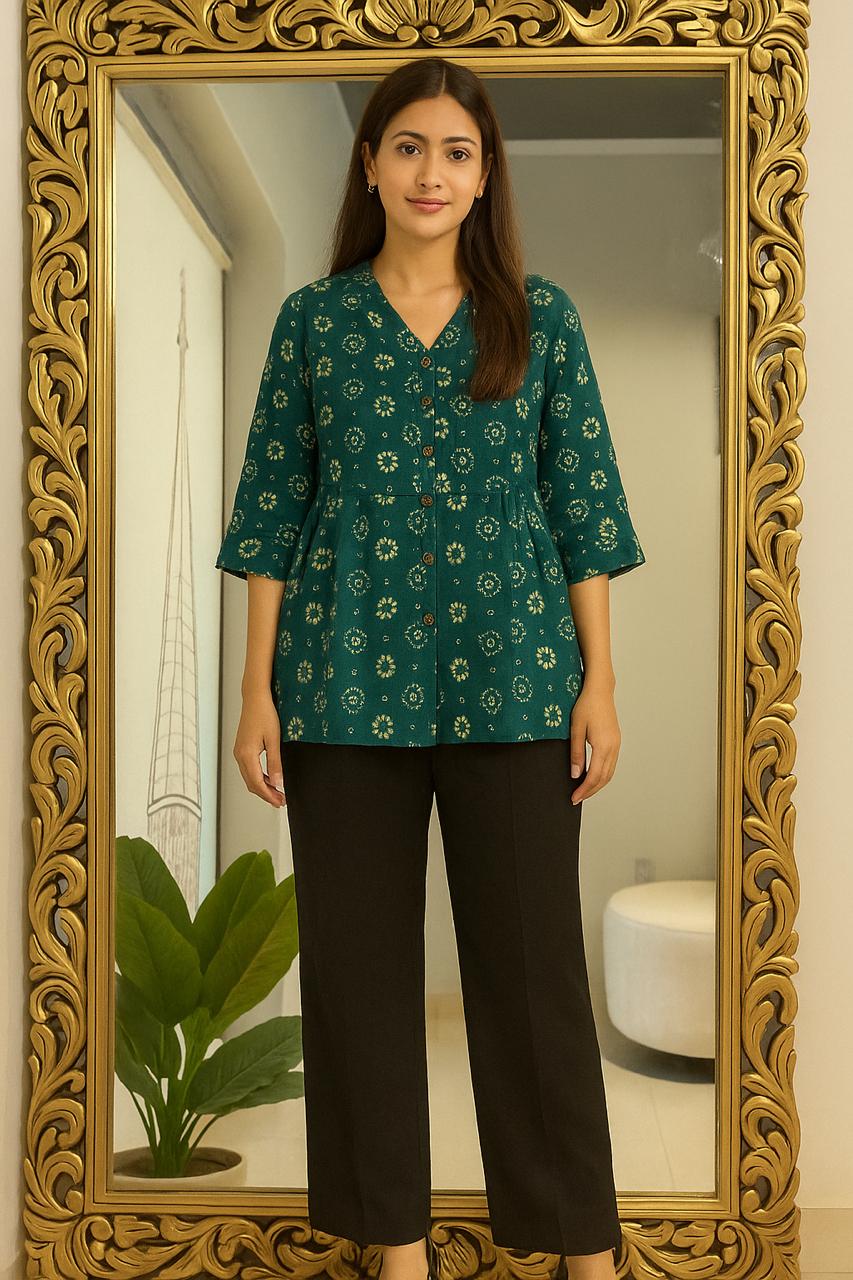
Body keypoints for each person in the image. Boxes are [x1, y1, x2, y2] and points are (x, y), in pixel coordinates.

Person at [215, 55, 645, 1280]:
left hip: (518, 685)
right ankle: (395, 1251)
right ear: (370, 164)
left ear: (485, 173)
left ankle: (584, 1252)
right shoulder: (314, 323)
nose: (431, 172)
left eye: (457, 151)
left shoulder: (538, 318)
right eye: (408, 146)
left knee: (533, 981)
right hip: (339, 689)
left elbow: (584, 514)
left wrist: (599, 682)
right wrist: (255, 690)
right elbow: (270, 514)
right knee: (358, 980)